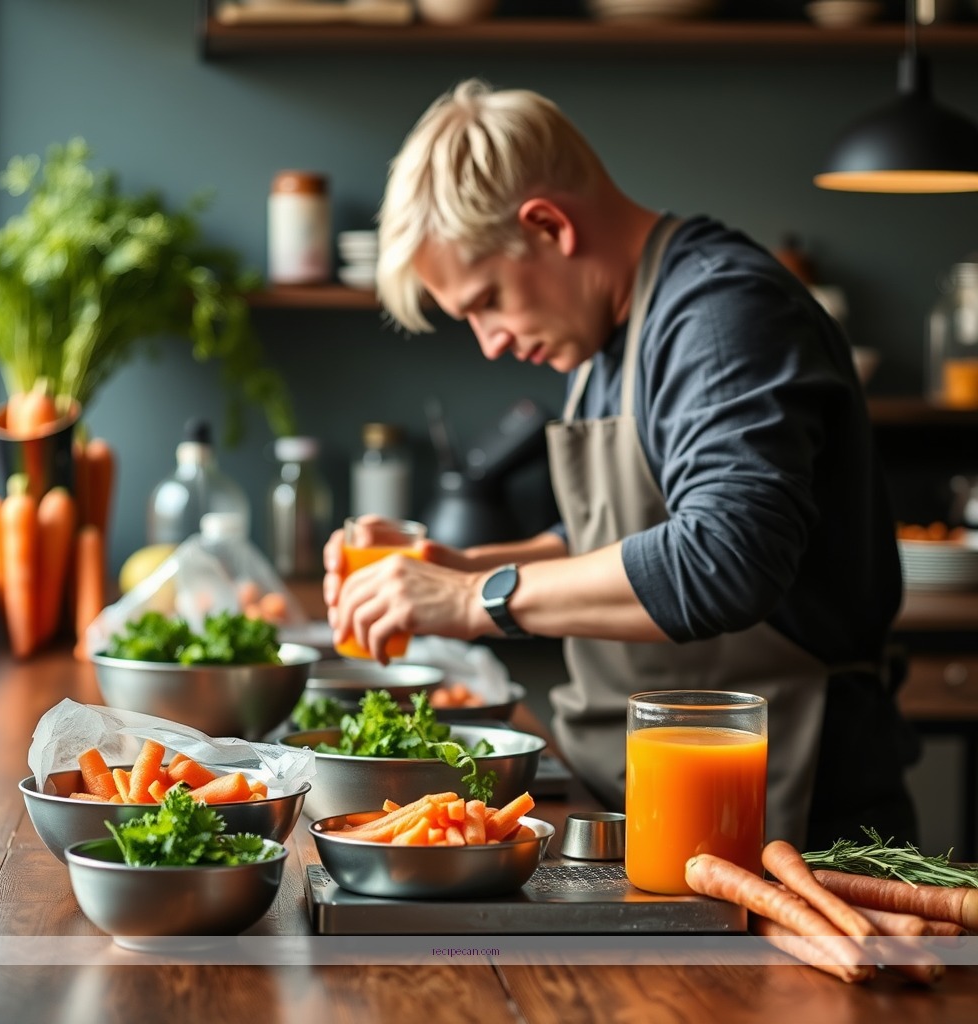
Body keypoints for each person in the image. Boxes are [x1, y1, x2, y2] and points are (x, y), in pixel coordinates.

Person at [323, 78, 919, 852]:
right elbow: (614, 538)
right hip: (656, 808)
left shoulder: (719, 317)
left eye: (486, 301)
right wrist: (453, 565)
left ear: (547, 226)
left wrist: (477, 597)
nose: (490, 342)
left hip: (790, 830)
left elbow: (724, 557)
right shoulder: (608, 333)